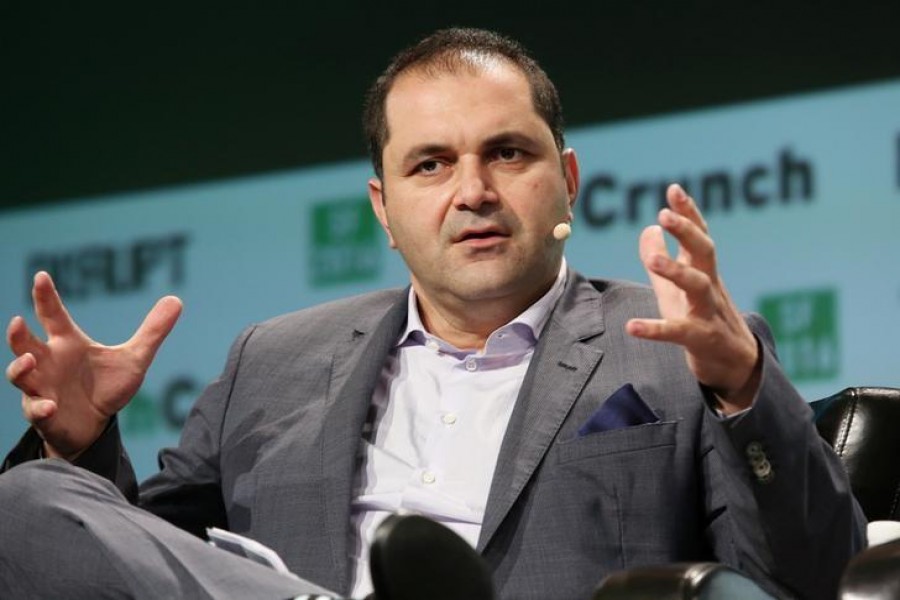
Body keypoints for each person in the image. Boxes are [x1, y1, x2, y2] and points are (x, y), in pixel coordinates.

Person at [0, 27, 865, 600]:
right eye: (430, 166)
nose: (473, 192)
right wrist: (79, 447)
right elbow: (152, 567)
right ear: (382, 208)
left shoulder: (671, 350)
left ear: (565, 179)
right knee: (28, 498)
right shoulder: (273, 359)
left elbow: (811, 580)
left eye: (506, 153)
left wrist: (743, 385)